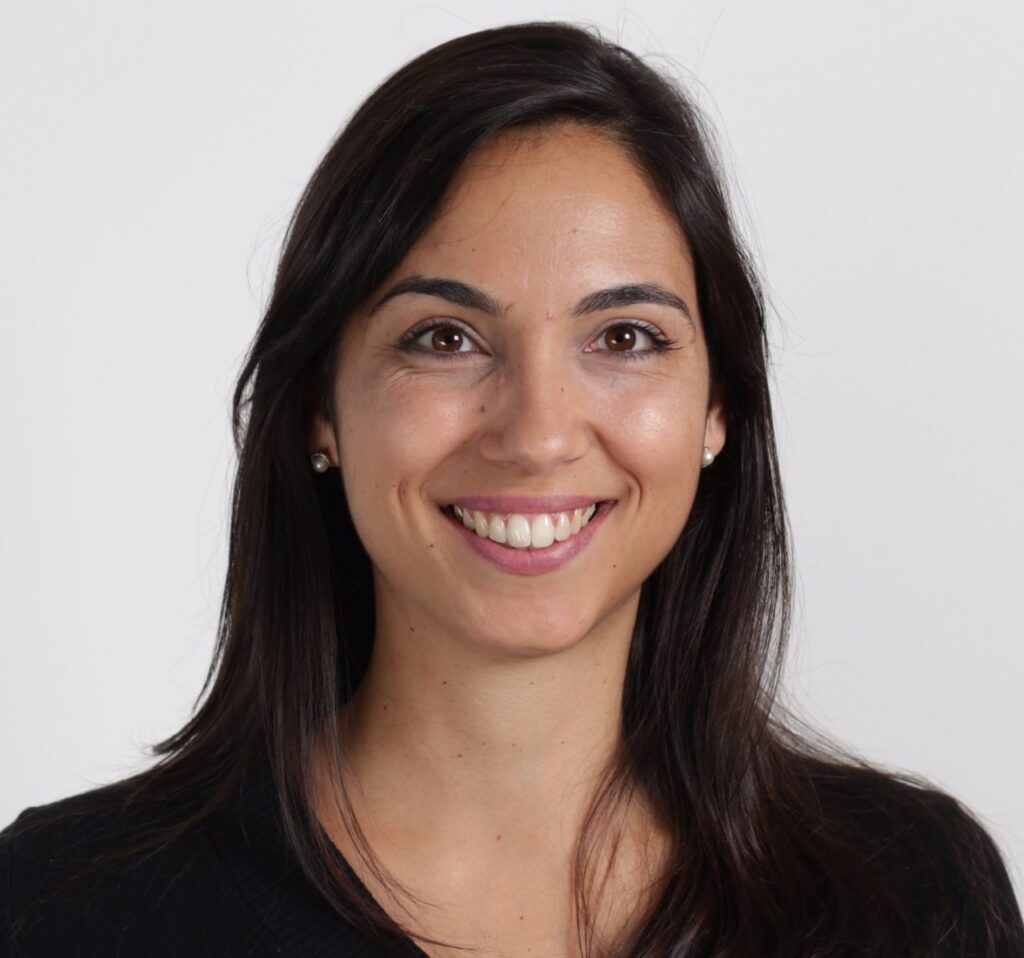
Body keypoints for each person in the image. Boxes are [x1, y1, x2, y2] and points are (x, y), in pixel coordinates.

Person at [1, 20, 1021, 958]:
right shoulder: (63, 908)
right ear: (320, 406)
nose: (535, 433)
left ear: (720, 408)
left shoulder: (912, 897)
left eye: (624, 337)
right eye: (443, 339)